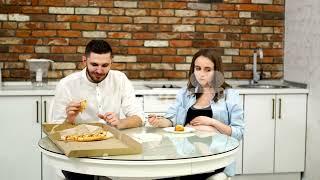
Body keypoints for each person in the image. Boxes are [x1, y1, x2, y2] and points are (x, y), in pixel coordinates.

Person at [51, 39, 144, 180]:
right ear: (84, 61)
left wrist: (120, 123)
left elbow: (139, 117)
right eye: (94, 64)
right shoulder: (67, 85)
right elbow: (54, 131)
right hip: (79, 154)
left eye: (105, 65)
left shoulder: (120, 79)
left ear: (111, 63)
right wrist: (69, 119)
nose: (99, 71)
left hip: (113, 150)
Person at [148, 49, 244, 180]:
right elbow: (172, 119)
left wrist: (212, 123)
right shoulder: (185, 93)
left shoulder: (230, 96)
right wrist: (159, 121)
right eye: (198, 68)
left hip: (213, 158)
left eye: (207, 70)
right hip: (184, 154)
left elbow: (239, 133)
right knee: (161, 172)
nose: (201, 74)